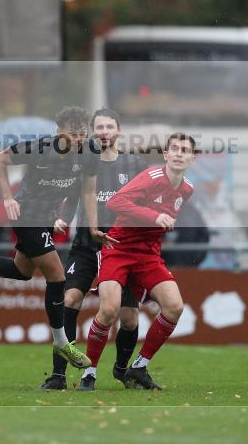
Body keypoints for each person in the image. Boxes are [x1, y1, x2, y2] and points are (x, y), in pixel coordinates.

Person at [0, 107, 108, 372]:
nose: (79, 139)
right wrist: (7, 197)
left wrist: (88, 225)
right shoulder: (40, 148)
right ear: (59, 132)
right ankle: (62, 342)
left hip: (45, 218)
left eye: (83, 133)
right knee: (58, 276)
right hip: (25, 215)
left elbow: (87, 191)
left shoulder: (89, 153)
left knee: (22, 270)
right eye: (73, 134)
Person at [41, 108, 149, 392]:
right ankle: (58, 375)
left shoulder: (135, 164)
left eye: (109, 127)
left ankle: (123, 371)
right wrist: (59, 215)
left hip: (122, 248)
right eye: (98, 127)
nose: (103, 132)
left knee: (128, 317)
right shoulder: (81, 163)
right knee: (70, 300)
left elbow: (148, 201)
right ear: (91, 132)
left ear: (119, 130)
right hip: (87, 246)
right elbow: (67, 195)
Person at [83, 132, 196, 391]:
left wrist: (162, 222)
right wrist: (154, 216)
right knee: (110, 310)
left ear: (192, 158)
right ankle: (89, 371)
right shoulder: (151, 177)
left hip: (148, 256)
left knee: (175, 307)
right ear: (166, 155)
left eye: (185, 150)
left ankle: (139, 366)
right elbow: (116, 201)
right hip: (119, 248)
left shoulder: (187, 189)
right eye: (174, 149)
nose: (179, 153)